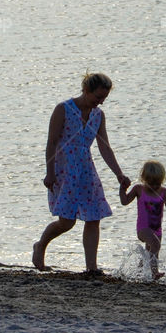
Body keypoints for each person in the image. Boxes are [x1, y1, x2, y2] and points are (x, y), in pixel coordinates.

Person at [32, 73, 130, 275]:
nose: (100, 102)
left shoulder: (98, 115)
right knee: (67, 221)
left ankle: (91, 267)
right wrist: (49, 173)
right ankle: (40, 245)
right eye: (98, 97)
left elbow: (104, 147)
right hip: (63, 169)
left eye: (104, 98)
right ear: (86, 90)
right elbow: (51, 143)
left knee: (94, 217)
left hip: (86, 169)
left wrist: (119, 174)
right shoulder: (63, 109)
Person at [119, 160, 166, 279]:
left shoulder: (163, 192)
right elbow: (124, 201)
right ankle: (154, 272)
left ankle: (140, 271)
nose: (155, 186)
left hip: (157, 229)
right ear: (144, 179)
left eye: (158, 183)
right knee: (155, 245)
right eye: (152, 183)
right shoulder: (138, 189)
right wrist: (122, 190)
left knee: (152, 252)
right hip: (143, 229)